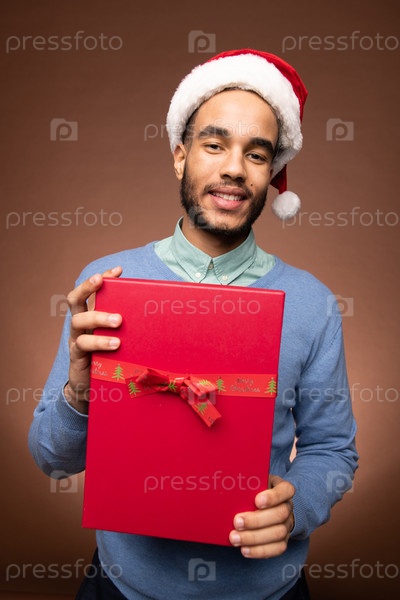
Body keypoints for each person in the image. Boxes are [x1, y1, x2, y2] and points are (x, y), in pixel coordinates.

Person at [28, 49, 358, 600]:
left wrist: (295, 506)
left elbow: (333, 449)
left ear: (272, 175)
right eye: (214, 144)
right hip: (121, 588)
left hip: (264, 591)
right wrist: (79, 391)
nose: (234, 168)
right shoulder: (107, 284)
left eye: (257, 154)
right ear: (180, 157)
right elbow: (52, 459)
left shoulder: (313, 304)